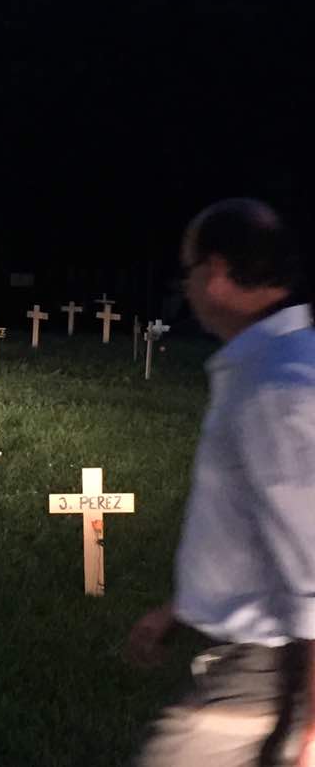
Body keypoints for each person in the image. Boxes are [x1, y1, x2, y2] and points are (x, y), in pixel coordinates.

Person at [126, 198, 314, 766]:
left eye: (188, 271)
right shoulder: (270, 365)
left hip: (269, 678)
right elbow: (252, 524)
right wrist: (180, 607)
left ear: (217, 271)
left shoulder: (277, 387)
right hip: (262, 667)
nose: (185, 287)